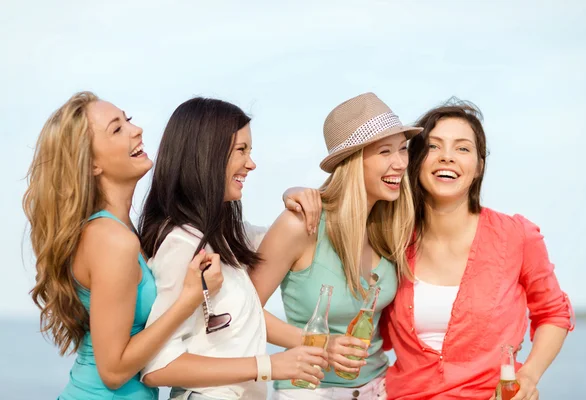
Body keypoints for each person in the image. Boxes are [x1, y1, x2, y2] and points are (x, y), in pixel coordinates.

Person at [23, 92, 215, 399]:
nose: (135, 130)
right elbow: (112, 372)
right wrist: (188, 300)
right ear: (92, 165)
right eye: (116, 129)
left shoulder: (117, 231)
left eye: (128, 120)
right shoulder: (112, 240)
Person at [381, 99, 574, 400]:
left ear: (479, 166)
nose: (447, 157)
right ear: (415, 160)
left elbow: (553, 313)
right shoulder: (390, 238)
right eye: (433, 147)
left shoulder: (516, 235)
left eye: (462, 148)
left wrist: (529, 374)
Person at [137, 97, 329, 400]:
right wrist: (267, 366)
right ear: (206, 154)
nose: (251, 163)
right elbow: (158, 367)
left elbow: (286, 237)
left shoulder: (225, 236)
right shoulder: (181, 245)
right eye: (241, 150)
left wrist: (294, 194)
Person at [249, 92, 422, 399]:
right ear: (352, 161)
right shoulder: (300, 224)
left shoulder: (390, 225)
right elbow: (242, 309)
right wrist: (319, 343)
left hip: (378, 389)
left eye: (402, 150)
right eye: (385, 152)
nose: (399, 163)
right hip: (310, 391)